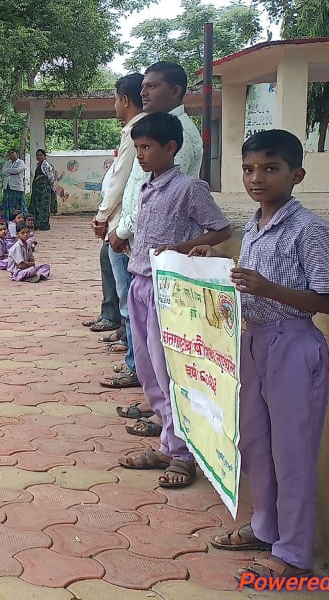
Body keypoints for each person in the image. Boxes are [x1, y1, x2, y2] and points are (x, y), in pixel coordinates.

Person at [193, 130, 329, 580]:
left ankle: (294, 553)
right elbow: (250, 280)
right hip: (254, 341)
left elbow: (328, 300)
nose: (257, 178)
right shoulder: (256, 225)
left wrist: (268, 288)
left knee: (292, 453)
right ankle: (265, 526)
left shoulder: (312, 231)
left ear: (295, 174)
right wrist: (219, 257)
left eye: (270, 168)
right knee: (256, 444)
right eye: (249, 168)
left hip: (294, 345)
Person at [114, 113, 230, 490]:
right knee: (148, 373)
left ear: (170, 148)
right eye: (137, 148)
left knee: (169, 371)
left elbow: (221, 228)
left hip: (169, 288)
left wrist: (178, 249)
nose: (142, 155)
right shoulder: (149, 187)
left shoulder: (189, 188)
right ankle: (169, 443)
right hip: (140, 283)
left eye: (147, 148)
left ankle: (182, 454)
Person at [104, 66, 204, 390]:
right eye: (143, 87)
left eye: (153, 87)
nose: (144, 93)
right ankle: (154, 401)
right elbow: (141, 188)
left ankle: (166, 417)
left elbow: (161, 199)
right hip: (141, 253)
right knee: (144, 331)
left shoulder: (180, 135)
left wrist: (122, 229)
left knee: (161, 344)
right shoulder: (151, 130)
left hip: (159, 259)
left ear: (176, 91)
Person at [91, 74, 144, 367]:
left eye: (115, 99)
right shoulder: (136, 130)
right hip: (120, 223)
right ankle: (126, 341)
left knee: (128, 297)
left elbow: (123, 182)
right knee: (124, 292)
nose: (114, 106)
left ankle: (134, 362)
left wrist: (102, 217)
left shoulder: (136, 131)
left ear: (124, 100)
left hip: (123, 226)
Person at [29, 149, 57, 231]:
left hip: (44, 189)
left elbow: (51, 178)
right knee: (37, 206)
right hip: (38, 190)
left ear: (44, 156)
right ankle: (38, 223)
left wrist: (41, 178)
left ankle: (44, 224)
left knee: (43, 206)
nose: (39, 157)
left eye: (41, 155)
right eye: (37, 155)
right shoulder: (39, 165)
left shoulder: (46, 165)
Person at [1, 149, 28, 220]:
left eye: (12, 153)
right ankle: (7, 219)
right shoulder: (7, 163)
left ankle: (21, 220)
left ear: (17, 154)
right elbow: (3, 171)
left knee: (18, 204)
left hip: (17, 187)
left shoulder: (20, 162)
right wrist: (11, 171)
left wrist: (8, 170)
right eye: (9, 153)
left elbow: (17, 170)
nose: (11, 154)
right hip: (7, 186)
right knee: (7, 204)